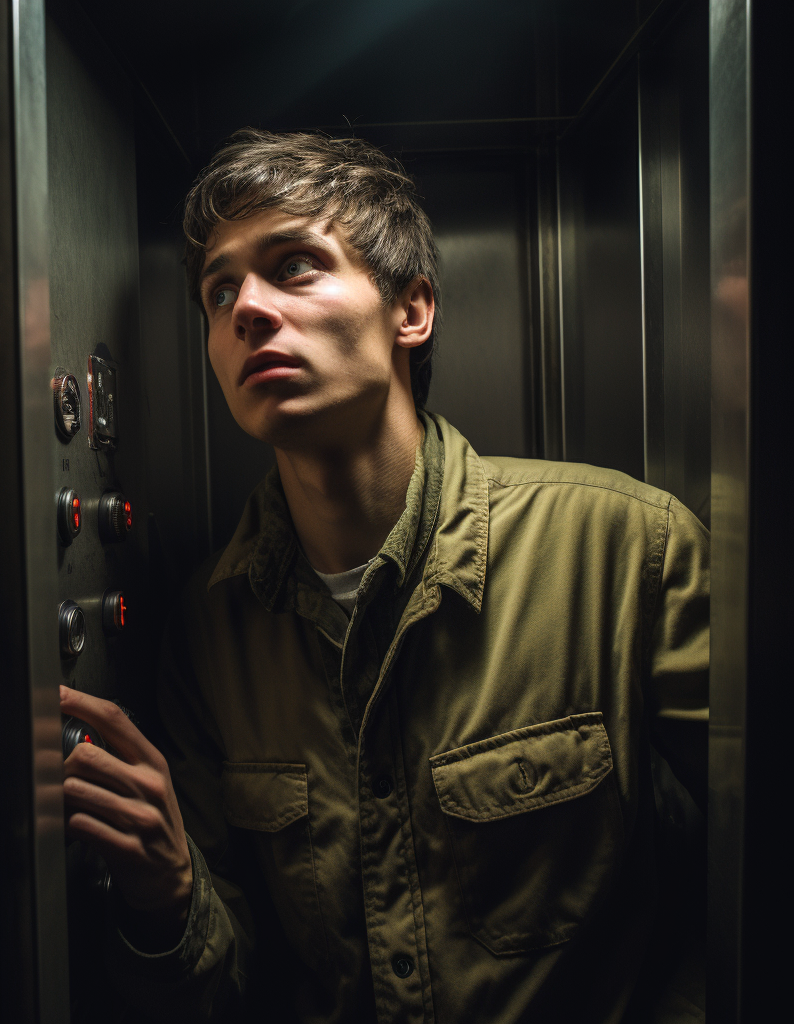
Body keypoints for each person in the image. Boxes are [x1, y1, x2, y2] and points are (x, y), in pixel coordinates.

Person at [59, 130, 709, 1023]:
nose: (246, 307)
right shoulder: (212, 630)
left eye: (293, 266)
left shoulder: (626, 552)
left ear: (412, 310)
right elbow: (227, 986)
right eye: (219, 289)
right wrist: (171, 897)